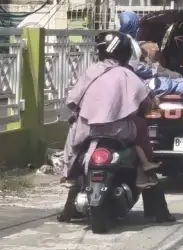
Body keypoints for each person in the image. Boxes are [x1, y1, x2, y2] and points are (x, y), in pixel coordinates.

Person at [58, 32, 175, 223]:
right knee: (141, 138)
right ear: (126, 53)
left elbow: (72, 102)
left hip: (87, 130)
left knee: (73, 146)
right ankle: (152, 188)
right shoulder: (127, 74)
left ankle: (69, 184)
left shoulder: (91, 71)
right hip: (118, 131)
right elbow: (146, 103)